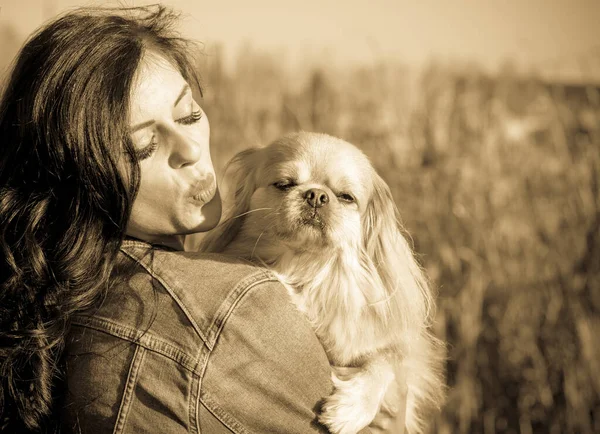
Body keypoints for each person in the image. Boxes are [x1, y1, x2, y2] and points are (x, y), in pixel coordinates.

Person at [0, 5, 407, 433]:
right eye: (145, 145)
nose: (191, 148)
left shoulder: (58, 302)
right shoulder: (231, 311)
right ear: (78, 177)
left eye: (189, 115)